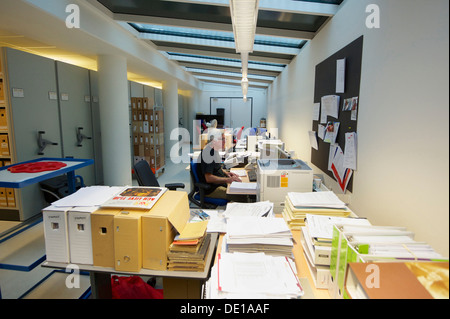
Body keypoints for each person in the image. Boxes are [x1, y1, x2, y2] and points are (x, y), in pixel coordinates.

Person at [197, 128, 242, 200]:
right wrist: (227, 180)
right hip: (212, 189)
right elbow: (209, 178)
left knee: (241, 190)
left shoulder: (215, 150)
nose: (225, 141)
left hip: (219, 184)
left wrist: (226, 173)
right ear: (214, 141)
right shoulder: (208, 154)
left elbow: (217, 168)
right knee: (240, 195)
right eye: (222, 139)